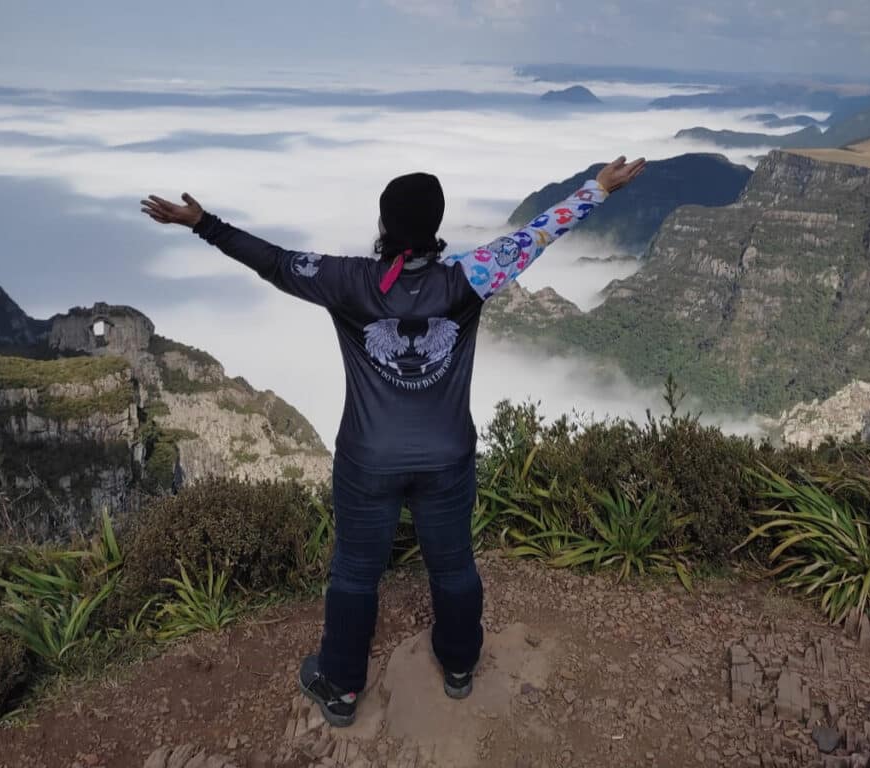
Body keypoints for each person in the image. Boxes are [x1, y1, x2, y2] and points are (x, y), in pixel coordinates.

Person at [140, 155, 646, 727]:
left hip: (368, 459)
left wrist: (203, 224)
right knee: (453, 566)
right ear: (436, 226)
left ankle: (343, 685)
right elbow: (537, 235)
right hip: (448, 455)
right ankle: (459, 666)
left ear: (385, 225)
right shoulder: (470, 275)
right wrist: (597, 189)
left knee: (356, 571)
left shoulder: (349, 281)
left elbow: (276, 263)